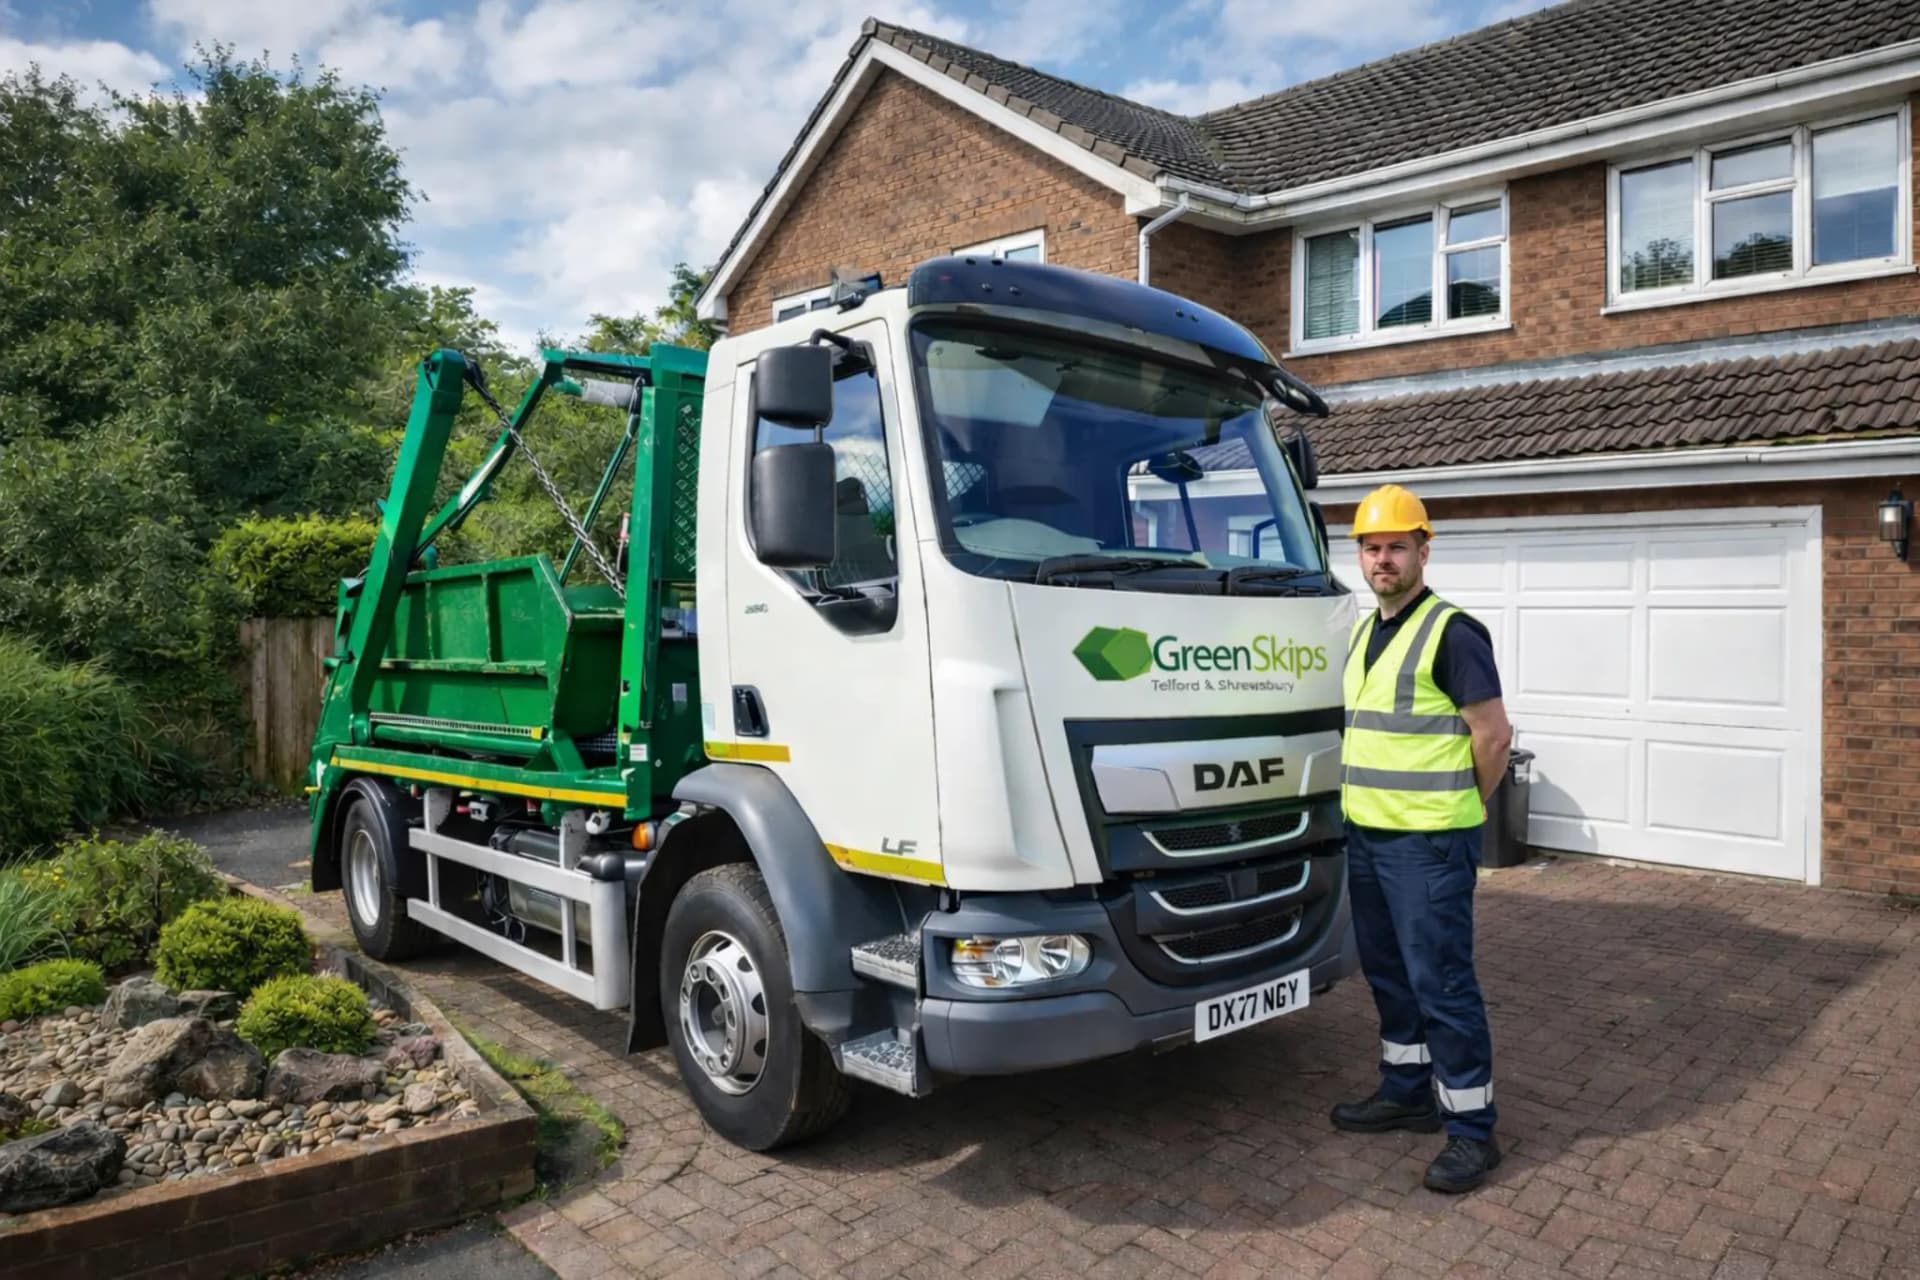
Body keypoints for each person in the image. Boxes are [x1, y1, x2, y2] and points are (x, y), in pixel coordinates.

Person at [1330, 483, 1512, 1194]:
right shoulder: (1365, 632)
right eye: (1372, 547)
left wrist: (1463, 805)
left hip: (1428, 844)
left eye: (1396, 546)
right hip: (1369, 838)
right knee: (1390, 974)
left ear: (1423, 551)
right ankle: (1406, 1090)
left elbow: (1493, 736)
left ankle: (1472, 1131)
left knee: (1442, 984)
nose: (1383, 558)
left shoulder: (1452, 632)